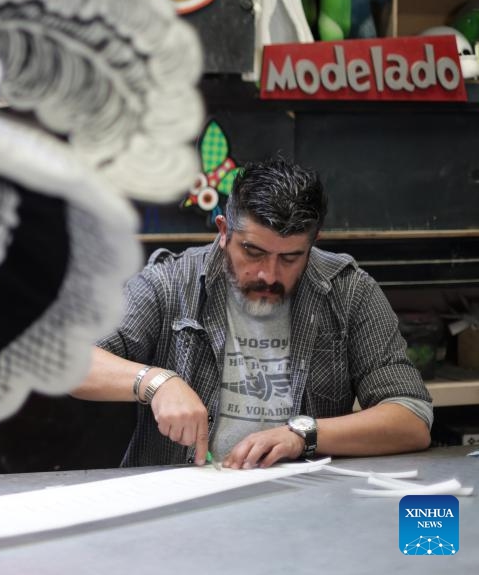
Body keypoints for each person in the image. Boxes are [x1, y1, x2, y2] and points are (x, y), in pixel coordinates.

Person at [72, 157, 433, 469]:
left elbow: (411, 419)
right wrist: (156, 382)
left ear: (313, 243)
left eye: (290, 258)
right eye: (253, 251)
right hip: (176, 503)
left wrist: (303, 435)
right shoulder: (170, 283)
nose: (269, 275)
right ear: (224, 231)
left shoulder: (349, 292)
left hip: (299, 505)